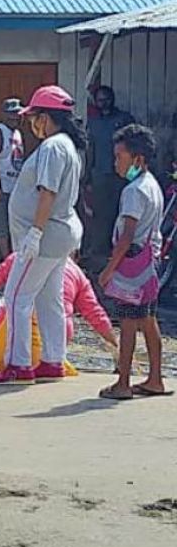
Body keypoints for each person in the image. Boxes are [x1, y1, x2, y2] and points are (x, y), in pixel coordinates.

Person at [0, 86, 86, 386]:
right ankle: (53, 360)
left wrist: (35, 232)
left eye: (34, 117)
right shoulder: (65, 145)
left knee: (16, 296)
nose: (31, 123)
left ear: (46, 117)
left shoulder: (54, 147)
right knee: (49, 299)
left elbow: (47, 193)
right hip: (58, 234)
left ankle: (18, 364)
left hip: (46, 235)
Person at [98, 124, 168, 400]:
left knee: (127, 323)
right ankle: (155, 379)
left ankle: (123, 382)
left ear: (137, 159)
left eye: (120, 156)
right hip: (149, 263)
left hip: (131, 267)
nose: (117, 162)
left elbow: (126, 238)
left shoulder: (133, 192)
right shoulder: (152, 186)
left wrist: (108, 270)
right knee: (148, 320)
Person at [0, 253, 116, 355]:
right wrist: (115, 346)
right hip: (57, 341)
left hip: (19, 335)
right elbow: (95, 313)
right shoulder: (76, 272)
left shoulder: (23, 257)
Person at [86, 86, 135, 259]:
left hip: (121, 175)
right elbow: (89, 150)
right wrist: (87, 178)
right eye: (100, 100)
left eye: (107, 99)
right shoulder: (93, 122)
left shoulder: (124, 120)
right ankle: (99, 254)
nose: (104, 102)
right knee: (100, 215)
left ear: (112, 99)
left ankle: (119, 252)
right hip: (99, 174)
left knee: (121, 213)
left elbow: (135, 145)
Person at [0, 98, 25, 269]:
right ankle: (10, 265)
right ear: (4, 114)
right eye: (11, 114)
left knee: (1, 229)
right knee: (0, 228)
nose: (15, 117)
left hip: (13, 186)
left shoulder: (17, 133)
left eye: (17, 114)